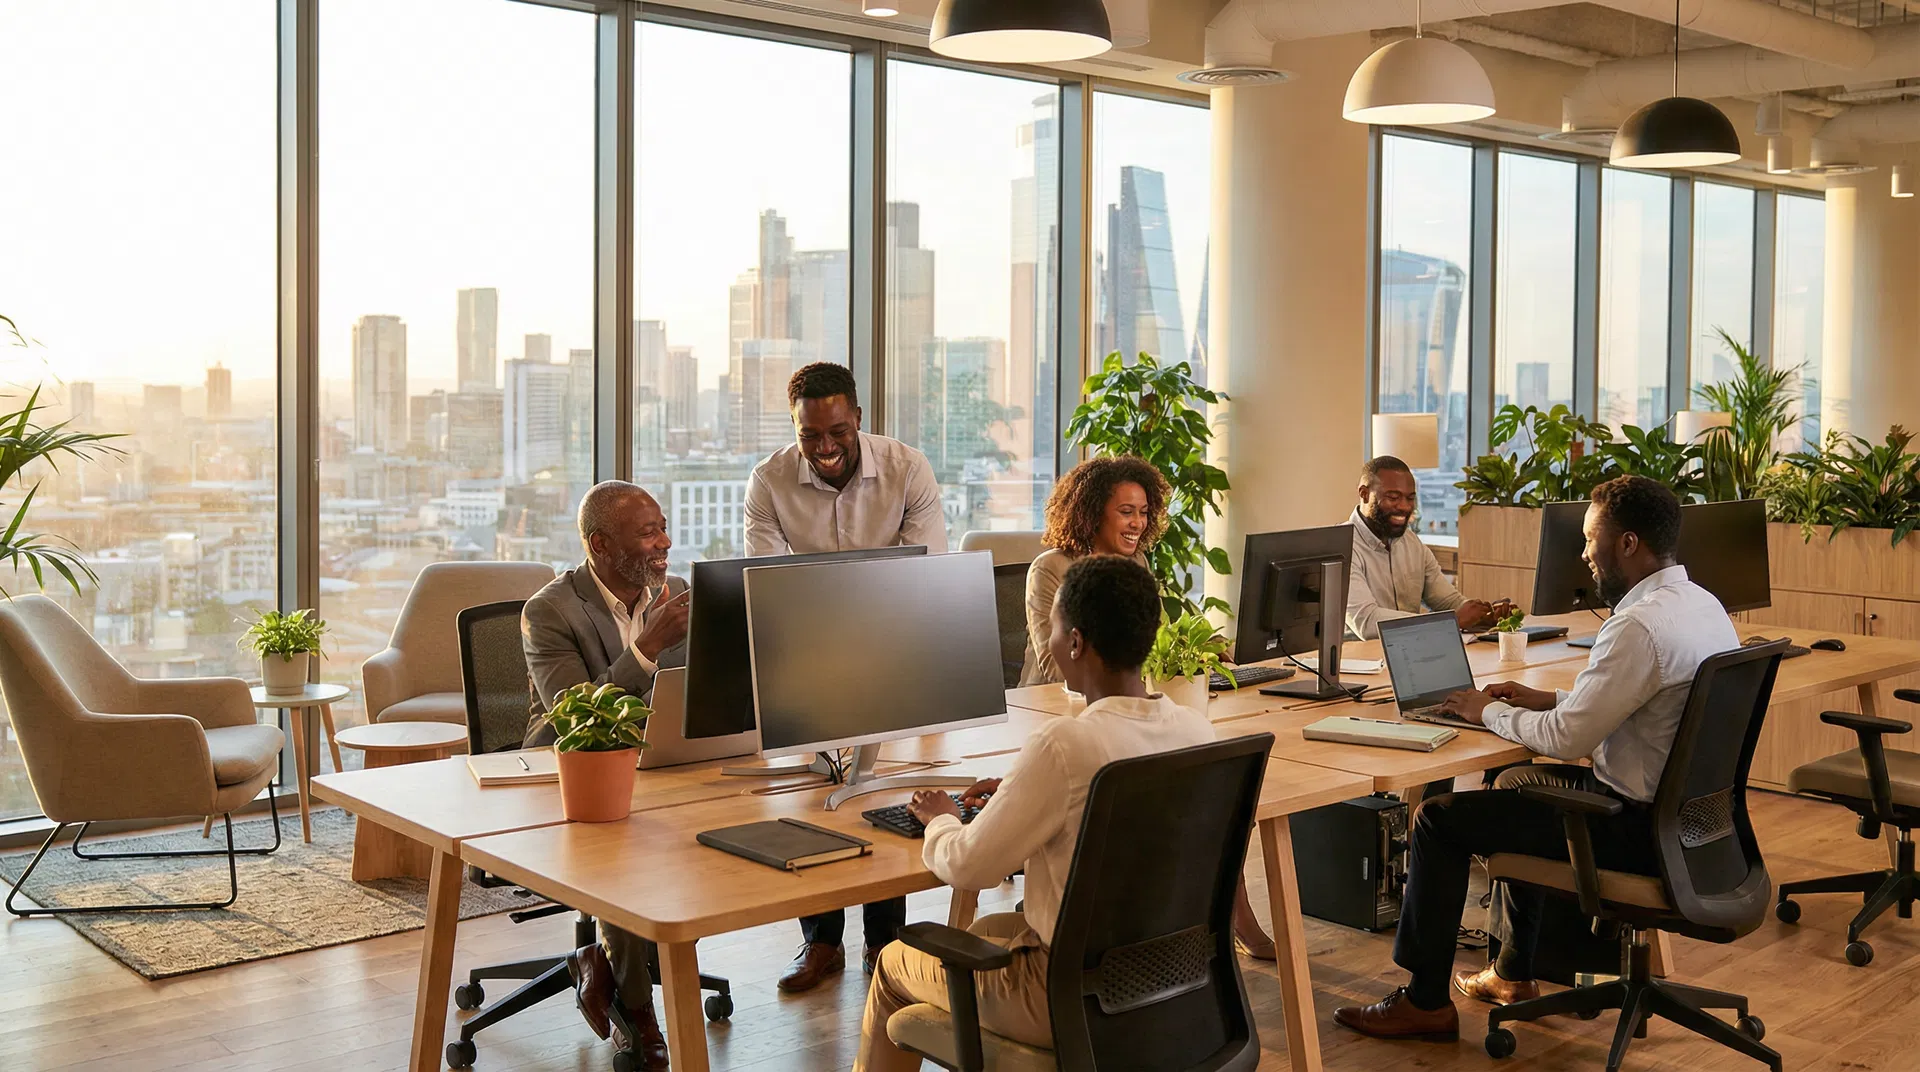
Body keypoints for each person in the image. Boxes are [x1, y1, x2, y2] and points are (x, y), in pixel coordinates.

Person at [1332, 475, 1739, 1042]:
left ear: (1626, 544)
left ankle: (1425, 1002)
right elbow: (1642, 704)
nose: (1584, 554)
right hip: (1692, 825)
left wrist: (1484, 712)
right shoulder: (1702, 606)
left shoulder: (1637, 625)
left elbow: (1568, 739)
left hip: (1634, 830)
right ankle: (1512, 972)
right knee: (1512, 778)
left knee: (1438, 819)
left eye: (1591, 539)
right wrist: (1549, 697)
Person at [854, 555, 1217, 1072]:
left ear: (1075, 642)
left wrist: (941, 818)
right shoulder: (1195, 730)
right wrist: (1021, 797)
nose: (1047, 640)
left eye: (1051, 627)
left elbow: (970, 867)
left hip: (1065, 995)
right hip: (1171, 977)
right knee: (987, 929)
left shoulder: (1067, 745)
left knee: (894, 963)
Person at [743, 361, 946, 993]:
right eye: (811, 436)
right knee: (813, 800)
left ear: (858, 418)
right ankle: (821, 943)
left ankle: (885, 946)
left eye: (837, 431)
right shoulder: (769, 481)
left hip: (894, 645)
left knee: (880, 794)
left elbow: (923, 572)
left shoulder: (908, 469)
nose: (826, 447)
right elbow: (767, 585)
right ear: (795, 429)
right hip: (805, 654)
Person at [520, 480, 690, 1070]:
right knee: (628, 861)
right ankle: (638, 1013)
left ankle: (606, 963)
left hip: (660, 769)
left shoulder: (678, 594)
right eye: (647, 532)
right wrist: (646, 649)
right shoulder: (549, 610)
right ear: (599, 544)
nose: (664, 542)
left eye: (663, 527)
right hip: (571, 772)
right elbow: (575, 714)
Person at [1019, 455, 1167, 687]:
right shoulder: (1051, 569)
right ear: (1094, 513)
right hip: (1049, 703)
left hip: (1117, 698)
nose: (1138, 523)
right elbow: (1057, 669)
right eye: (1127, 512)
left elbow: (1157, 640)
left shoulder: (1137, 563)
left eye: (1144, 512)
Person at [1344, 455, 1508, 640]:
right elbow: (1366, 622)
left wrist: (1484, 615)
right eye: (1393, 497)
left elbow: (1447, 601)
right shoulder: (1342, 547)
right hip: (1362, 663)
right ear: (1364, 494)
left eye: (1410, 498)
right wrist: (1451, 621)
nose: (1405, 507)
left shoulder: (1412, 543)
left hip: (1415, 653)